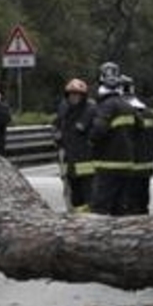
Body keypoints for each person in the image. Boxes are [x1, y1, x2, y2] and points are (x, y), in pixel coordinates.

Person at [89, 62, 137, 216]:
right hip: (127, 165)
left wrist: (88, 141)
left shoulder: (105, 106)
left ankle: (98, 240)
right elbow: (139, 130)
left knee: (100, 208)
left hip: (107, 166)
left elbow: (97, 132)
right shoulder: (128, 106)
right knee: (120, 208)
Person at [52, 78, 96, 213]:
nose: (74, 97)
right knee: (74, 198)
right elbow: (57, 126)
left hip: (86, 162)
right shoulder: (64, 109)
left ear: (83, 96)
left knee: (89, 196)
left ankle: (90, 221)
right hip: (69, 161)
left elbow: (80, 129)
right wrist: (57, 135)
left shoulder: (90, 109)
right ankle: (78, 222)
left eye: (77, 94)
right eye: (71, 94)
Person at [121, 75, 153, 214]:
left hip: (129, 167)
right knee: (143, 201)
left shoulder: (121, 112)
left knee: (129, 204)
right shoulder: (148, 113)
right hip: (146, 165)